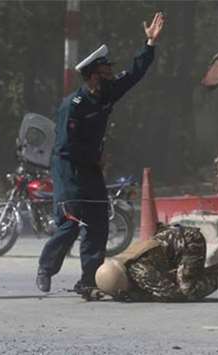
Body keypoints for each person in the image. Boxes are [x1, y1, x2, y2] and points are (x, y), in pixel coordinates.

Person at [36, 13, 165, 293]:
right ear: (94, 75)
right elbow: (66, 145)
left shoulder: (105, 94)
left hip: (90, 167)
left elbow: (132, 75)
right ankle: (46, 269)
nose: (111, 75)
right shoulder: (74, 105)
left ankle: (88, 281)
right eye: (106, 72)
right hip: (68, 167)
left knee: (97, 222)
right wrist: (95, 157)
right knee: (70, 223)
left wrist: (150, 44)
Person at [95, 223, 218, 302]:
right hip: (177, 244)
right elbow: (109, 284)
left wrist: (139, 296)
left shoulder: (140, 272)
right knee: (183, 278)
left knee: (188, 290)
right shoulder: (120, 263)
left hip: (188, 243)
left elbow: (172, 294)